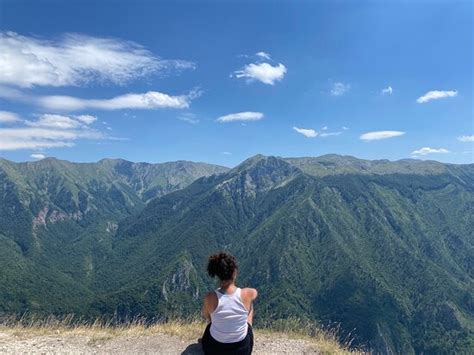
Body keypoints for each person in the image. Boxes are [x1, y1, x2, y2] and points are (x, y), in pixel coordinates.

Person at [201, 252, 258, 355]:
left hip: (214, 350)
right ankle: (246, 327)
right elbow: (254, 294)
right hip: (242, 351)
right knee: (250, 307)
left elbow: (207, 316)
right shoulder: (246, 294)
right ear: (234, 273)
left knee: (211, 323)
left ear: (217, 275)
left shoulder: (210, 297)